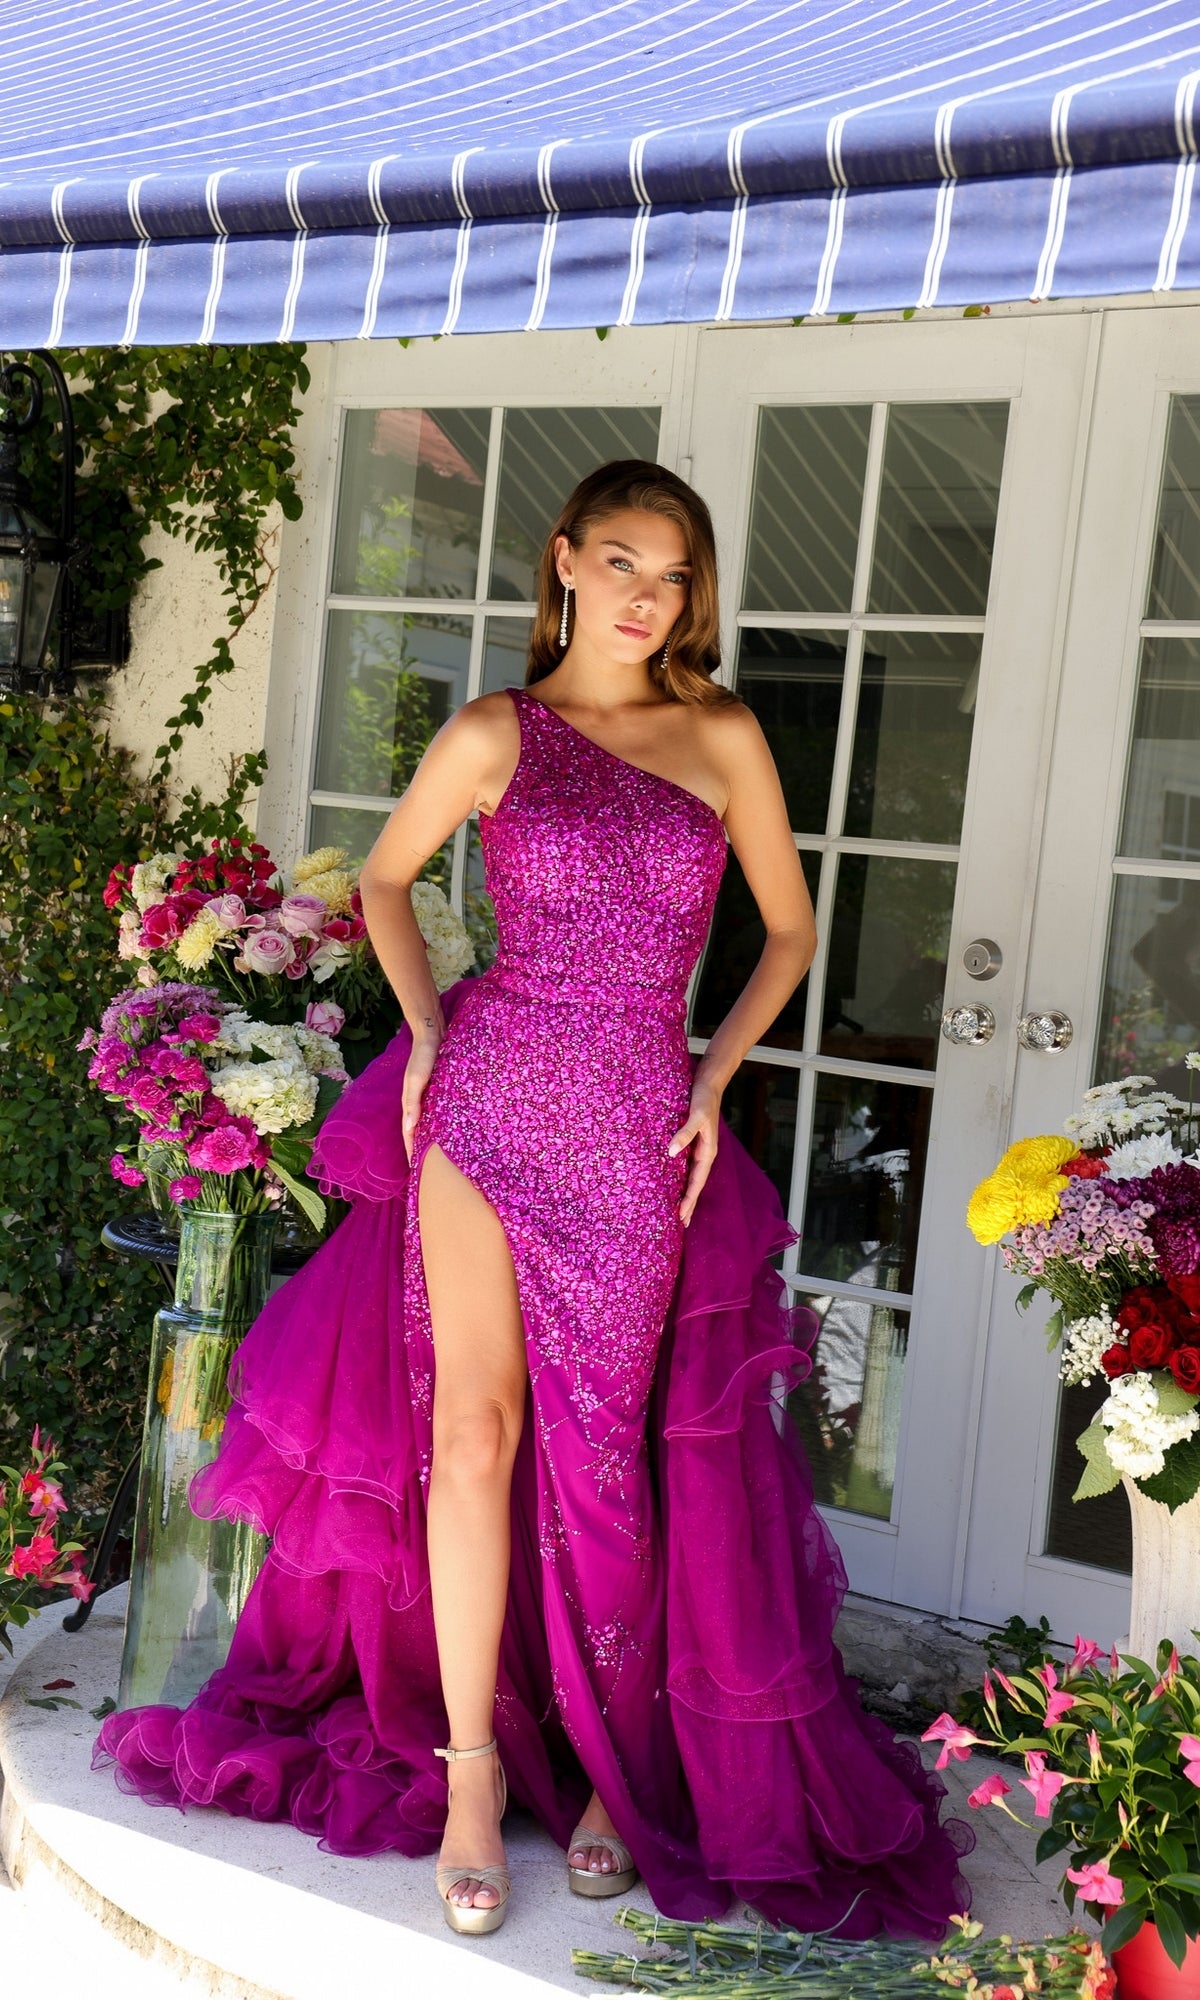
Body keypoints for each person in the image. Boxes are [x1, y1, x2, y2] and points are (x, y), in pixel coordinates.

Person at [95, 461, 971, 1940]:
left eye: (674, 575)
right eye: (622, 562)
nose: (647, 596)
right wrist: (430, 1035)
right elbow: (384, 884)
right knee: (473, 1435)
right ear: (565, 560)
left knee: (605, 1457)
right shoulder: (498, 731)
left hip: (633, 1117)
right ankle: (471, 1776)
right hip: (487, 1104)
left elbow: (790, 930)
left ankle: (614, 1770)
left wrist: (713, 1079)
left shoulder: (723, 733)